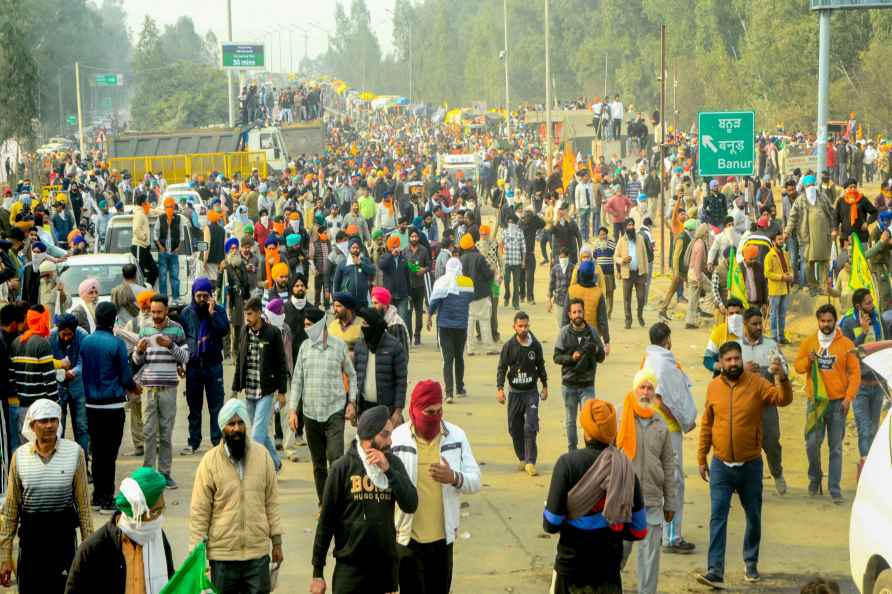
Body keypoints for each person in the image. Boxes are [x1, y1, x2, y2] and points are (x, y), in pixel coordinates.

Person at [695, 340, 793, 588]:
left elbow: (782, 399)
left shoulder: (757, 383)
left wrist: (781, 377)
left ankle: (751, 563)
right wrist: (701, 457)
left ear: (741, 359)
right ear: (721, 363)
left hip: (750, 466)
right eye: (728, 360)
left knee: (754, 516)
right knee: (718, 516)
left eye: (736, 359)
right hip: (720, 465)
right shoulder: (713, 388)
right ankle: (715, 570)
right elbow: (707, 424)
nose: (733, 363)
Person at [309, 405, 418, 594]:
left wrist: (388, 470)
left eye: (390, 434)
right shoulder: (342, 468)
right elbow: (326, 521)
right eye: (385, 435)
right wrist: (317, 572)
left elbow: (411, 504)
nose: (390, 441)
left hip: (384, 570)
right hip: (350, 570)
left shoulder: (393, 463)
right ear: (369, 436)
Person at [543, 399, 647, 594]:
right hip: (608, 572)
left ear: (587, 432)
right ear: (611, 432)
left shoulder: (567, 464)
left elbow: (551, 524)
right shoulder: (624, 468)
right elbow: (639, 530)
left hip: (571, 570)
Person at [392, 380, 482, 594]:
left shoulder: (456, 436)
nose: (434, 417)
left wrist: (454, 477)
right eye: (428, 412)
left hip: (442, 542)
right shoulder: (397, 438)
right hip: (407, 540)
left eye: (438, 411)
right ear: (414, 410)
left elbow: (475, 480)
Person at [190, 399, 283, 594]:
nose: (237, 428)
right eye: (231, 424)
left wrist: (277, 542)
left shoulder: (263, 456)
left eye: (240, 423)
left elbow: (272, 503)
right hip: (223, 557)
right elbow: (200, 512)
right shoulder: (209, 463)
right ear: (223, 427)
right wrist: (197, 556)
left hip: (257, 554)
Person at [0, 399, 93, 594]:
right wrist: (5, 556)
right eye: (43, 420)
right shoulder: (20, 456)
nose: (49, 425)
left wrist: (88, 551)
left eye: (53, 420)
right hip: (31, 545)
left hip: (64, 544)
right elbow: (11, 510)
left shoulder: (75, 452)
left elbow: (83, 506)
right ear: (32, 425)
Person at [64, 466, 175, 594]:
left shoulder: (158, 537)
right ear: (135, 515)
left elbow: (171, 583)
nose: (159, 518)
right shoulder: (94, 548)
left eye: (162, 509)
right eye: (156, 511)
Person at [617, 369, 678, 594]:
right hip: (621, 501)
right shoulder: (619, 416)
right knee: (616, 556)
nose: (645, 392)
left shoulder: (661, 424)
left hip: (651, 501)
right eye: (642, 387)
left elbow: (669, 465)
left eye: (650, 388)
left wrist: (670, 502)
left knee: (649, 560)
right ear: (635, 389)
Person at [290, 309, 358, 505]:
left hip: (334, 411)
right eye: (304, 325)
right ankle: (325, 503)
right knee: (318, 464)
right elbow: (297, 381)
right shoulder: (304, 348)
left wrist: (351, 402)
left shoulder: (338, 347)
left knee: (335, 459)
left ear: (320, 324)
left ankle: (339, 502)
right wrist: (293, 410)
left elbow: (352, 376)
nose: (305, 329)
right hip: (310, 414)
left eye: (309, 325)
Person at [794, 303, 859, 503]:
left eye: (830, 321)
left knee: (836, 448)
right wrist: (808, 361)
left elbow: (855, 373)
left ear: (835, 321)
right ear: (818, 321)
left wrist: (848, 398)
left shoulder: (847, 344)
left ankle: (834, 489)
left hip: (838, 404)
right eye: (822, 321)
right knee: (812, 444)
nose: (826, 324)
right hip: (816, 403)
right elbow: (797, 367)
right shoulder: (809, 343)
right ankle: (815, 479)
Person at [642, 322, 697, 554]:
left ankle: (654, 529)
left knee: (654, 478)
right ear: (668, 339)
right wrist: (687, 421)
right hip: (669, 428)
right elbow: (668, 400)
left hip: (649, 426)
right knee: (673, 480)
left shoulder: (647, 362)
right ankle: (671, 535)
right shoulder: (666, 365)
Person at [81, 302, 140, 513]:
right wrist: (135, 387)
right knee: (110, 454)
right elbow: (125, 377)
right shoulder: (116, 344)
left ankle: (97, 496)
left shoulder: (86, 342)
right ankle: (107, 498)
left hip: (91, 405)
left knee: (97, 452)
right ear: (114, 319)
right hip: (112, 405)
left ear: (96, 318)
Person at [132, 295, 189, 488]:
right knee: (148, 433)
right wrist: (139, 351)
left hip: (168, 388)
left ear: (166, 311)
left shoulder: (177, 329)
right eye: (153, 312)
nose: (155, 316)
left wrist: (170, 346)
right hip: (148, 388)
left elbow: (186, 356)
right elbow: (137, 361)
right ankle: (148, 474)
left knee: (165, 434)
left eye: (159, 312)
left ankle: (165, 474)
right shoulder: (145, 328)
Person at [232, 296, 290, 472]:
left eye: (250, 314)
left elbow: (282, 364)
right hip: (249, 390)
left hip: (266, 391)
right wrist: (234, 389)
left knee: (256, 435)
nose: (247, 318)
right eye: (245, 314)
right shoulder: (244, 331)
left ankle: (251, 470)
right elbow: (240, 361)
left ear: (258, 313)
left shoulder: (272, 333)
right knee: (262, 433)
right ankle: (276, 463)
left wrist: (282, 392)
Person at [739, 307, 790, 495]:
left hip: (767, 404)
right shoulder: (737, 347)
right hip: (744, 406)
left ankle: (777, 474)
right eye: (754, 324)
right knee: (744, 444)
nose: (759, 327)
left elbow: (785, 369)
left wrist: (778, 370)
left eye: (761, 323)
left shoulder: (771, 346)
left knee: (772, 442)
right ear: (745, 325)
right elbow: (724, 374)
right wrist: (742, 370)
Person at [839, 288, 888, 477]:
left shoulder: (879, 319)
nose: (872, 305)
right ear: (858, 306)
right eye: (868, 303)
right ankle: (866, 470)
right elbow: (847, 352)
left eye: (872, 301)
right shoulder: (848, 322)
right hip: (859, 386)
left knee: (874, 427)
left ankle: (873, 470)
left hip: (878, 384)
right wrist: (863, 333)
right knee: (864, 428)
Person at [180, 277, 230, 455]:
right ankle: (193, 442)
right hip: (193, 366)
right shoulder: (186, 313)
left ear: (211, 296)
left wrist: (212, 313)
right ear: (193, 295)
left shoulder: (219, 310)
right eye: (198, 295)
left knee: (216, 405)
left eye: (205, 296)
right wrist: (181, 362)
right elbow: (181, 339)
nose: (201, 299)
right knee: (194, 406)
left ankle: (217, 441)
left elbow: (224, 330)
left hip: (213, 364)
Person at [496, 311, 548, 476]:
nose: (524, 329)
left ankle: (531, 461)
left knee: (530, 426)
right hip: (515, 393)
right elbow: (502, 368)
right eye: (520, 326)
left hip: (531, 392)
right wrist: (500, 389)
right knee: (514, 427)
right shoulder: (509, 347)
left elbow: (541, 366)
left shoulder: (535, 345)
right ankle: (522, 457)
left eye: (526, 326)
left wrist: (545, 386)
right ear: (514, 327)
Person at [553, 298, 606, 451]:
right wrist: (572, 358)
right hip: (569, 385)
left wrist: (595, 349)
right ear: (569, 314)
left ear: (584, 313)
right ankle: (572, 451)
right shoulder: (563, 333)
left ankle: (589, 450)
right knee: (570, 420)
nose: (577, 315)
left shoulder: (592, 332)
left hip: (587, 385)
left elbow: (601, 357)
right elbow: (556, 357)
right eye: (574, 312)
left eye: (580, 311)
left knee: (589, 420)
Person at [428, 257, 475, 403]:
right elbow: (470, 298)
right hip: (461, 326)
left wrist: (429, 316)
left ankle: (449, 393)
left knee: (447, 359)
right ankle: (460, 388)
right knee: (459, 357)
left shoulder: (441, 282)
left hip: (445, 326)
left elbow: (434, 302)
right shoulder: (467, 282)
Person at [10, 307, 58, 442]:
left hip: (22, 406)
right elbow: (49, 379)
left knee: (25, 447)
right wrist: (56, 403)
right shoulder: (43, 344)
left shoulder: (16, 342)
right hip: (40, 408)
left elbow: (12, 376)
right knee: (42, 447)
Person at [353, 308, 407, 424]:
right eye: (362, 323)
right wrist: (352, 405)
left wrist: (398, 411)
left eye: (366, 323)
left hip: (387, 409)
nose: (363, 327)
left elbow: (401, 381)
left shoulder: (394, 346)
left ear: (375, 326)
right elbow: (355, 379)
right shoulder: (360, 346)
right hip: (364, 408)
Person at [785, 175, 833, 295]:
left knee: (824, 262)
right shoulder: (800, 200)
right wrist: (787, 231)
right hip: (807, 238)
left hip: (823, 236)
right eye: (808, 186)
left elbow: (831, 212)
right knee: (807, 264)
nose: (810, 188)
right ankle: (813, 286)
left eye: (812, 185)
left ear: (815, 185)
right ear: (804, 187)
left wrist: (835, 228)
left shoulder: (823, 197)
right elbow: (792, 217)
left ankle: (823, 287)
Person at [48, 314, 89, 454]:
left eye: (69, 334)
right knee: (59, 427)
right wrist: (59, 370)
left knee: (82, 427)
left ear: (74, 330)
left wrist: (73, 372)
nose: (66, 338)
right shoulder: (51, 336)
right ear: (58, 330)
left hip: (78, 387)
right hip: (58, 387)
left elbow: (84, 361)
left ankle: (83, 464)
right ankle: (60, 463)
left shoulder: (82, 335)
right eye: (63, 335)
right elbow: (47, 361)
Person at [459, 234, 497, 355]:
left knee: (470, 322)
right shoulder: (479, 257)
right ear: (473, 244)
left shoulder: (461, 259)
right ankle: (489, 348)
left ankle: (470, 349)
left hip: (467, 295)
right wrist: (493, 271)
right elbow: (488, 275)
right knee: (485, 321)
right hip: (481, 294)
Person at [614, 217, 650, 329]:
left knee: (641, 297)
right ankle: (628, 320)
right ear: (625, 228)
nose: (631, 227)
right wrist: (622, 260)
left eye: (632, 225)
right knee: (626, 298)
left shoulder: (640, 238)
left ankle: (640, 315)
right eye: (629, 225)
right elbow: (615, 257)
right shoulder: (621, 241)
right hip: (627, 273)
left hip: (639, 273)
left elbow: (644, 255)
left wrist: (646, 272)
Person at [566, 260, 610, 350]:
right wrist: (606, 340)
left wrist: (564, 336)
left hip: (573, 334)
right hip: (592, 336)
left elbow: (565, 316)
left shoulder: (571, 290)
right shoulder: (598, 293)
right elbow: (602, 320)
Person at [219, 236, 251, 360]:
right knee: (226, 325)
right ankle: (226, 353)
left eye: (236, 248)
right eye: (232, 248)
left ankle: (236, 351)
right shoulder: (224, 264)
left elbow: (246, 281)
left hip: (238, 298)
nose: (234, 250)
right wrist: (221, 271)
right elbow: (219, 283)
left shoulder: (241, 263)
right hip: (227, 299)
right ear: (228, 250)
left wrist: (245, 295)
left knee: (238, 326)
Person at [155, 196, 189, 300]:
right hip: (163, 253)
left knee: (175, 277)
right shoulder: (160, 218)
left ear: (174, 207)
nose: (169, 208)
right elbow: (155, 234)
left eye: (171, 206)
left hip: (174, 252)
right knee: (163, 277)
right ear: (165, 208)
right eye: (167, 207)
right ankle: (163, 299)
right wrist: (160, 247)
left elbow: (182, 235)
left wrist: (178, 248)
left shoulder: (178, 219)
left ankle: (176, 297)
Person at [403, 228, 431, 344]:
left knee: (419, 312)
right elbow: (403, 266)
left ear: (418, 238)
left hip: (420, 285)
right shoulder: (405, 251)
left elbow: (429, 265)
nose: (414, 238)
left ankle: (417, 335)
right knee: (408, 312)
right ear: (409, 238)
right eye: (412, 236)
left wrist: (423, 270)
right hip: (408, 286)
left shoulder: (424, 250)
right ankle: (409, 336)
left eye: (416, 236)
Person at [764, 232, 793, 344]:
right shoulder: (769, 256)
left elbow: (790, 268)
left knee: (782, 314)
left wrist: (791, 275)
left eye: (782, 239)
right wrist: (781, 277)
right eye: (779, 239)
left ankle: (781, 336)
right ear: (773, 241)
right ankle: (774, 337)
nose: (781, 241)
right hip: (775, 289)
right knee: (774, 314)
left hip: (785, 288)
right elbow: (767, 273)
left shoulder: (785, 254)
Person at [703, 297, 744, 373]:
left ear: (742, 312)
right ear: (726, 314)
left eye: (737, 313)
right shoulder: (719, 331)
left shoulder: (749, 331)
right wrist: (717, 365)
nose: (734, 317)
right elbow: (707, 359)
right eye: (731, 313)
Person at [333, 237, 375, 307]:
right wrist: (336, 299)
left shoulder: (365, 261)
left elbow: (372, 272)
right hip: (347, 301)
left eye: (357, 248)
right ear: (349, 249)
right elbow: (336, 282)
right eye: (353, 248)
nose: (355, 250)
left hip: (362, 300)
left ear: (360, 249)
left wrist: (360, 263)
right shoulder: (343, 263)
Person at [371, 286, 410, 358]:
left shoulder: (396, 325)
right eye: (372, 303)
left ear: (385, 305)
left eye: (376, 303)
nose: (372, 307)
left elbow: (403, 356)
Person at [131, 195, 158, 286]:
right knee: (139, 273)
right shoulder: (139, 214)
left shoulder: (143, 212)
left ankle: (147, 290)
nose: (148, 203)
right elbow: (136, 229)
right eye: (147, 201)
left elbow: (153, 212)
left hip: (145, 248)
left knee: (154, 270)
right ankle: (141, 293)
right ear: (143, 203)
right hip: (139, 246)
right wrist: (144, 237)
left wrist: (167, 211)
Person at [547, 248, 573, 326]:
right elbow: (551, 285)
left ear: (568, 257)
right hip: (558, 300)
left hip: (570, 301)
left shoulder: (573, 268)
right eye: (561, 257)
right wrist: (549, 301)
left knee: (569, 324)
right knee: (560, 325)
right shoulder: (555, 268)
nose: (562, 259)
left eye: (564, 257)